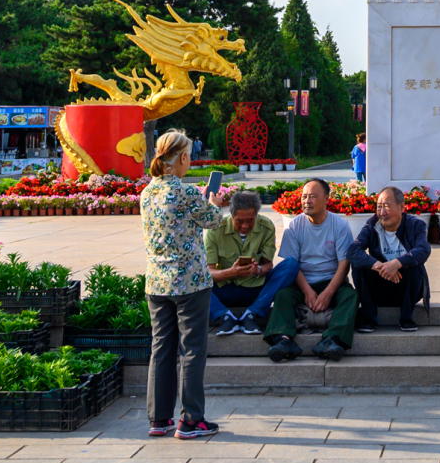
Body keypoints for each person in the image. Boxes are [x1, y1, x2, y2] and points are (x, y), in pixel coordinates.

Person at [140, 128, 223, 440]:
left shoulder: (148, 193)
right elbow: (214, 220)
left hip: (157, 282)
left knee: (161, 348)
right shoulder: (186, 193)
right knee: (192, 350)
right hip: (190, 282)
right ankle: (191, 421)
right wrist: (212, 201)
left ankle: (159, 419)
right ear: (184, 157)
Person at [264, 177, 357, 362]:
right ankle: (283, 340)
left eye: (313, 196)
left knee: (351, 296)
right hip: (301, 281)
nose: (307, 201)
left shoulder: (339, 225)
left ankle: (331, 340)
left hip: (331, 281)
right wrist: (307, 290)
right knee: (282, 295)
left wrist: (328, 293)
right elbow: (292, 263)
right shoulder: (294, 225)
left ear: (327, 199)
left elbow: (344, 264)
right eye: (304, 197)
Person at [351, 186, 430, 333]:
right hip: (379, 288)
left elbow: (423, 250)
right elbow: (353, 250)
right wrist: (379, 266)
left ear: (401, 207)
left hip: (406, 288)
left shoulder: (416, 225)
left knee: (415, 265)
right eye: (379, 207)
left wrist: (397, 263)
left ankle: (406, 317)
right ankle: (369, 318)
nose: (382, 213)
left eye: (386, 206)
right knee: (358, 265)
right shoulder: (372, 224)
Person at [206, 190, 280, 335]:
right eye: (239, 221)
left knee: (290, 265)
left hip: (255, 288)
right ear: (231, 215)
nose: (245, 226)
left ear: (256, 215)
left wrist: (256, 270)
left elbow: (268, 265)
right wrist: (230, 273)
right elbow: (208, 272)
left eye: (250, 220)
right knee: (193, 278)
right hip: (225, 289)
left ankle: (252, 313)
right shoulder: (215, 229)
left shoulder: (266, 226)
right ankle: (225, 316)